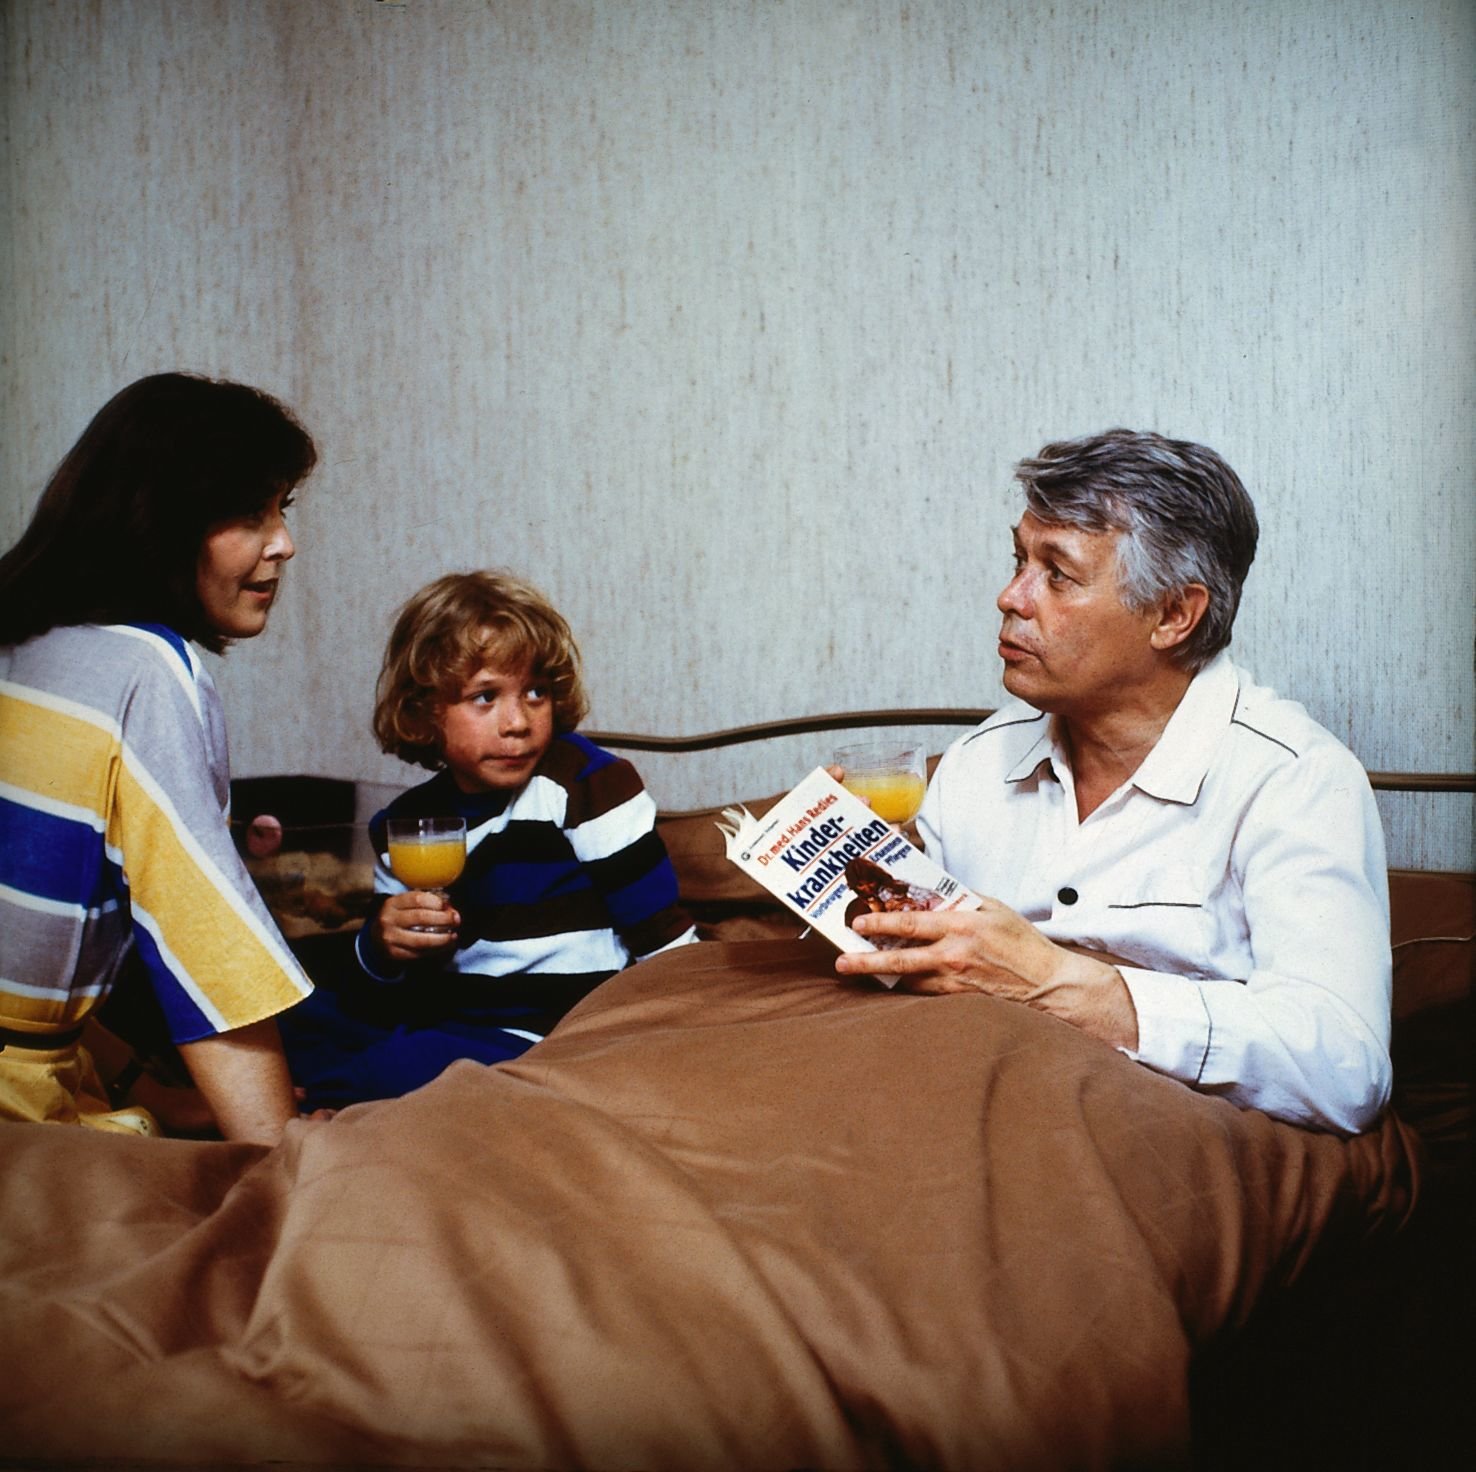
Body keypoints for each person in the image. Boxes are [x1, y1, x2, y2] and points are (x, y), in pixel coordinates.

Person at [835, 429, 1392, 1135]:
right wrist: (863, 877)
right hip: (968, 1102)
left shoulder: (1294, 780)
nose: (1010, 597)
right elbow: (917, 981)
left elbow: (1345, 1068)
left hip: (1169, 1133)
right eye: (1019, 560)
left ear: (1173, 615)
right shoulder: (977, 760)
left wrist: (1061, 987)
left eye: (1057, 575)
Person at [0, 372, 324, 1144]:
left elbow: (33, 971)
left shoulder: (29, 637)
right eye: (250, 514)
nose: (284, 542)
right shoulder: (145, 668)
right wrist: (281, 1158)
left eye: (282, 508)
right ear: (161, 523)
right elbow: (205, 949)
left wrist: (147, 1090)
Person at [280, 570, 697, 1108]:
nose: (517, 721)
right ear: (425, 712)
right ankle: (300, 1086)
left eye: (535, 692)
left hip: (554, 1033)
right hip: (452, 1019)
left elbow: (663, 937)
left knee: (401, 1066)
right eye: (485, 697)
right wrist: (382, 945)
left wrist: (692, 1027)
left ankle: (315, 1103)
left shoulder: (586, 785)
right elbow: (386, 986)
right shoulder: (406, 824)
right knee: (294, 1016)